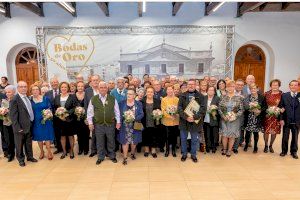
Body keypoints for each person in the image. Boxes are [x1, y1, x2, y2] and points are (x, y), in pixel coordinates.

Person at [87, 81, 121, 165]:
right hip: (98, 124)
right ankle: (100, 157)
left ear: (107, 88)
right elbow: (89, 112)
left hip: (110, 124)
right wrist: (90, 123)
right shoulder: (93, 99)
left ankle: (112, 156)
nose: (103, 89)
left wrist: (118, 122)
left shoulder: (112, 98)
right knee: (99, 141)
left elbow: (117, 111)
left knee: (111, 141)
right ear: (98, 89)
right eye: (101, 87)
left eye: (104, 87)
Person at [9, 81, 38, 167]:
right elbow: (13, 116)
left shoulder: (28, 98)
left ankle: (30, 156)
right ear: (17, 88)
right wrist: (17, 128)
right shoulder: (14, 99)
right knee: (19, 144)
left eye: (25, 86)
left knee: (28, 142)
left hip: (29, 124)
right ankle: (21, 159)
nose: (24, 88)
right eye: (21, 87)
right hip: (20, 127)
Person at [178, 79, 205, 163]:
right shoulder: (182, 95)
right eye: (189, 84)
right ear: (187, 85)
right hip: (184, 121)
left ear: (195, 85)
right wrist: (186, 117)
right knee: (183, 139)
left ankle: (193, 155)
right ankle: (184, 154)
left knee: (194, 139)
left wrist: (194, 117)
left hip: (195, 122)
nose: (191, 85)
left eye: (192, 84)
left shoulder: (201, 96)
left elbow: (203, 109)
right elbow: (179, 108)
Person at [218, 80, 244, 157]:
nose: (230, 88)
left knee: (232, 136)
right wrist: (223, 116)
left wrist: (235, 116)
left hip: (234, 120)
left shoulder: (239, 97)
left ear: (234, 87)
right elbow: (219, 108)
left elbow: (241, 109)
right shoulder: (222, 96)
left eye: (232, 86)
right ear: (226, 88)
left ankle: (229, 150)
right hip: (224, 119)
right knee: (224, 135)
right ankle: (224, 149)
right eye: (228, 86)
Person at [118, 88, 144, 165]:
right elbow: (118, 114)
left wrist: (133, 118)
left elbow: (141, 114)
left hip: (135, 125)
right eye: (127, 94)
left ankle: (132, 153)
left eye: (130, 94)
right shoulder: (121, 103)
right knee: (124, 141)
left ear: (134, 95)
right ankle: (125, 157)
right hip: (124, 126)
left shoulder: (138, 103)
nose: (128, 95)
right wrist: (121, 120)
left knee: (134, 141)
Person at [54, 82, 78, 159]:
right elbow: (55, 107)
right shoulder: (57, 97)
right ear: (60, 88)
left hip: (69, 120)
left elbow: (75, 107)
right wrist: (59, 114)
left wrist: (66, 113)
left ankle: (71, 151)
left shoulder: (72, 96)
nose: (63, 89)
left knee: (71, 136)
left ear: (68, 88)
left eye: (65, 87)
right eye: (62, 87)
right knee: (62, 136)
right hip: (60, 120)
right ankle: (64, 151)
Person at [30, 84, 54, 160]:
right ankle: (41, 151)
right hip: (36, 122)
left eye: (36, 89)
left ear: (39, 90)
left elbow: (50, 108)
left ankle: (49, 151)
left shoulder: (45, 98)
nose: (35, 91)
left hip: (46, 120)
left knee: (47, 136)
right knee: (39, 137)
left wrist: (48, 114)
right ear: (31, 91)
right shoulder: (30, 100)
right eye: (33, 90)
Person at [279, 80, 300, 159]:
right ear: (289, 86)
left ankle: (293, 152)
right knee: (285, 137)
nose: (293, 87)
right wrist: (281, 119)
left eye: (295, 85)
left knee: (295, 137)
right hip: (286, 120)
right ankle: (284, 151)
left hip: (297, 121)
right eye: (292, 85)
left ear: (298, 86)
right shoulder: (284, 95)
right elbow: (281, 107)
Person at [243, 84, 267, 153]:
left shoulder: (262, 97)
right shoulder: (247, 97)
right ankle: (246, 145)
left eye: (254, 88)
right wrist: (249, 109)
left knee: (256, 133)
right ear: (250, 90)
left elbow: (265, 107)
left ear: (257, 89)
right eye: (251, 89)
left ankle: (255, 146)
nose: (253, 90)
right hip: (249, 117)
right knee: (247, 133)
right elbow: (245, 107)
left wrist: (259, 111)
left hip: (257, 118)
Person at [263, 79, 283, 153]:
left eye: (276, 85)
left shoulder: (282, 94)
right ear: (270, 86)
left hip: (276, 116)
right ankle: (265, 145)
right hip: (267, 116)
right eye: (273, 85)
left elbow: (283, 105)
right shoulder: (266, 94)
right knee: (266, 131)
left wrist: (280, 109)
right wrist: (267, 110)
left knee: (274, 132)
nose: (274, 86)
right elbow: (263, 104)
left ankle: (271, 145)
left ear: (279, 86)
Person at [141, 86, 161, 158]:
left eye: (151, 92)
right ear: (146, 92)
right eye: (148, 91)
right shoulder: (142, 101)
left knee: (154, 135)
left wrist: (158, 113)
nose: (150, 93)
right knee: (145, 135)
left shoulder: (157, 101)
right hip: (145, 121)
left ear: (153, 93)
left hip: (155, 122)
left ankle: (153, 150)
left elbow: (160, 110)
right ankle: (146, 150)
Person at [84, 75, 100, 157]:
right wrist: (87, 117)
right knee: (93, 133)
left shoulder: (103, 89)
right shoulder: (87, 91)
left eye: (97, 80)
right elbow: (86, 104)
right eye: (94, 80)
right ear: (91, 81)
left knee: (101, 133)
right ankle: (93, 150)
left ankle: (102, 149)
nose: (95, 82)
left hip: (102, 116)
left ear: (99, 80)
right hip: (92, 115)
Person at [161, 85, 179, 157]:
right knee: (167, 136)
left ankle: (174, 150)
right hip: (166, 121)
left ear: (173, 90)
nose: (170, 91)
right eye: (168, 89)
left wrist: (174, 115)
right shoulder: (164, 99)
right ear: (166, 91)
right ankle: (167, 150)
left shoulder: (177, 99)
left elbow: (178, 109)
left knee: (174, 136)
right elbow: (163, 110)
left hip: (175, 120)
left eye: (171, 89)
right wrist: (169, 116)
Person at [45, 77, 61, 154]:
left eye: (55, 82)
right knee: (55, 132)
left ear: (58, 83)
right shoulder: (47, 93)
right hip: (52, 117)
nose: (54, 84)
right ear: (50, 84)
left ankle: (66, 147)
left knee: (64, 132)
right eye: (52, 82)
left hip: (63, 115)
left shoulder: (63, 90)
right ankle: (58, 147)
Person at [203, 86, 220, 153]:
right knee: (207, 134)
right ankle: (208, 146)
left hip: (214, 119)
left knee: (214, 134)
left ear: (214, 91)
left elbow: (220, 108)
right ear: (207, 91)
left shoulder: (217, 98)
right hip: (205, 119)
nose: (211, 91)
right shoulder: (204, 98)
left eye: (212, 90)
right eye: (209, 90)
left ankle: (213, 147)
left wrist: (215, 111)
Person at [1, 85, 15, 162]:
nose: (7, 93)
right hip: (6, 123)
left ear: (13, 92)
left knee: (16, 139)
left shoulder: (16, 100)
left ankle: (20, 154)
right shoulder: (4, 101)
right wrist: (2, 112)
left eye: (9, 92)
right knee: (8, 140)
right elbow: (2, 110)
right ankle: (11, 154)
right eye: (6, 92)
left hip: (14, 123)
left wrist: (8, 111)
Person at [75, 81, 90, 155]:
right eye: (78, 86)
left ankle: (86, 149)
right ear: (76, 87)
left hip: (85, 117)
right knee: (79, 134)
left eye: (81, 86)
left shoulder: (87, 95)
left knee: (86, 133)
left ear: (84, 87)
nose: (80, 87)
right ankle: (80, 149)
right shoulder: (73, 95)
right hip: (77, 118)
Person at [232, 79, 245, 153]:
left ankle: (235, 147)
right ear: (235, 85)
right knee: (230, 130)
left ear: (243, 86)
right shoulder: (230, 92)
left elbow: (245, 107)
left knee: (238, 131)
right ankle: (229, 146)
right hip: (229, 115)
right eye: (238, 84)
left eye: (241, 85)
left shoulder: (245, 94)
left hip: (239, 116)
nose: (239, 86)